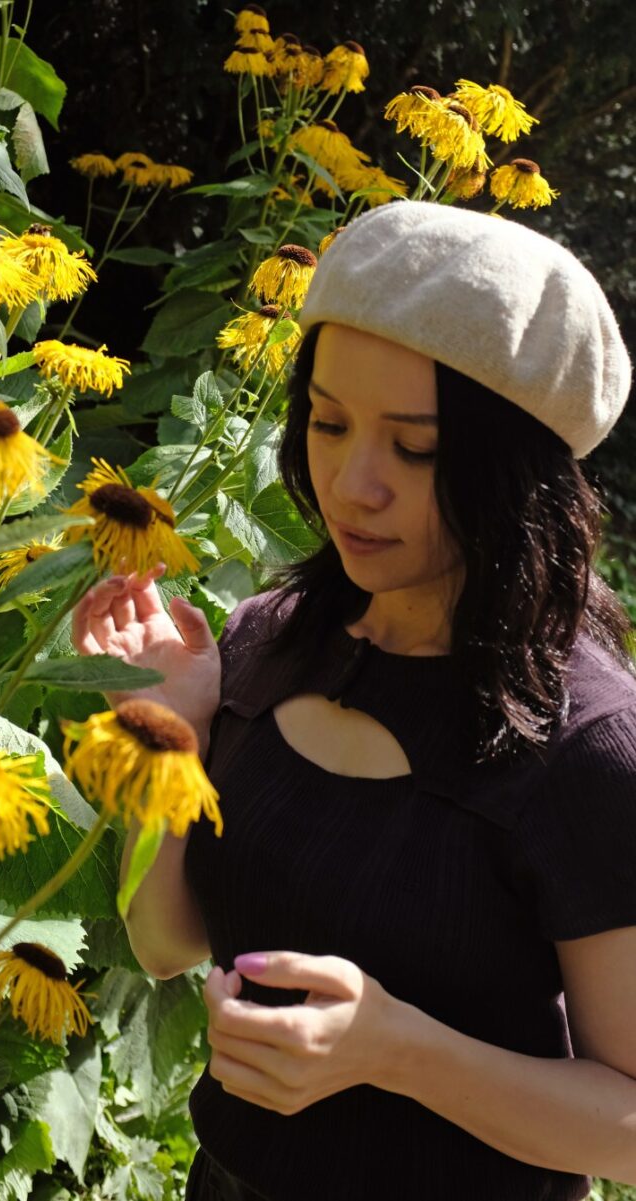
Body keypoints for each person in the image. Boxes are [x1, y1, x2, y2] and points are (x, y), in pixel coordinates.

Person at [72, 201, 636, 1200]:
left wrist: (394, 1049)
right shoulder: (268, 641)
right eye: (328, 423)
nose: (352, 484)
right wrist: (174, 726)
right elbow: (166, 945)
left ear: (517, 472)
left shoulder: (589, 746)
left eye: (414, 450)